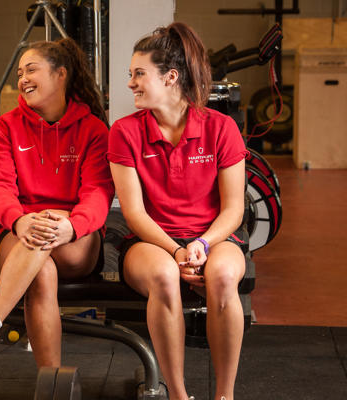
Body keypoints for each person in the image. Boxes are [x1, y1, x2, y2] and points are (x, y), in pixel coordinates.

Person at [0, 38, 114, 370]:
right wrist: (19, 220)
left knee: (46, 237)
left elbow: (98, 193)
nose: (22, 79)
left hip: (76, 237)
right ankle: (50, 380)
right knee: (40, 267)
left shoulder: (93, 130)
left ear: (60, 75)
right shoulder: (5, 127)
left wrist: (71, 225)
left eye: (31, 70)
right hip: (21, 231)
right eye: (19, 73)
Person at [108, 22, 248, 400]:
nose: (131, 83)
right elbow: (134, 214)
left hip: (215, 237)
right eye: (131, 74)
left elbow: (234, 209)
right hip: (152, 242)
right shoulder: (124, 132)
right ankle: (179, 395)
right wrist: (176, 251)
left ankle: (225, 395)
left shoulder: (221, 128)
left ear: (170, 77)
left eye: (139, 74)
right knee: (166, 277)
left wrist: (202, 243)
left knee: (221, 276)